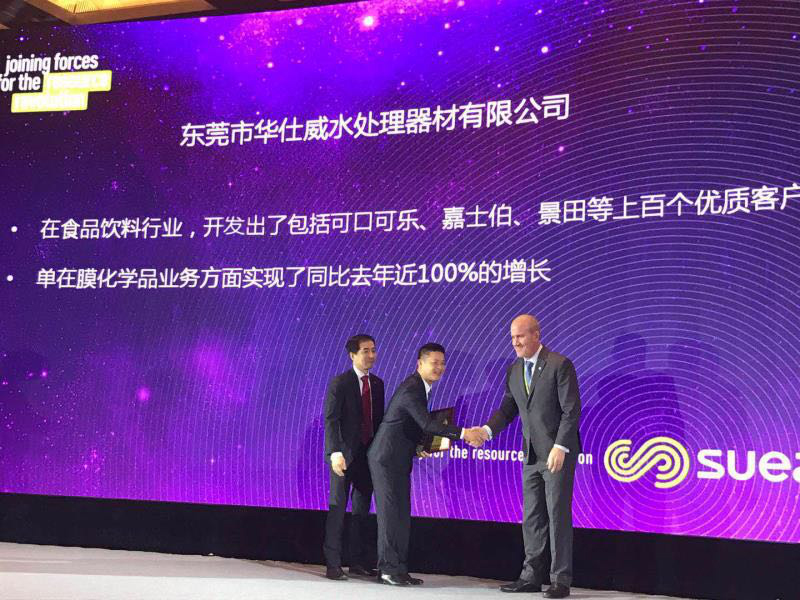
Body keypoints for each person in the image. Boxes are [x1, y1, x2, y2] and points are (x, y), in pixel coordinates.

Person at [479, 315, 581, 598]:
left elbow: (571, 410)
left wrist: (561, 447)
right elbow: (507, 409)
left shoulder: (559, 364)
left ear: (536, 335)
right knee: (532, 517)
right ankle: (531, 577)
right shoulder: (514, 369)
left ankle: (560, 580)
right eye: (512, 337)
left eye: (520, 336)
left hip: (556, 454)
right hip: (530, 455)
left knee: (557, 515)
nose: (515, 342)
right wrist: (486, 431)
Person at [367, 343, 486, 586]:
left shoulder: (422, 388)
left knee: (401, 515)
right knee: (391, 515)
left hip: (398, 458)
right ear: (420, 364)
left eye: (442, 363)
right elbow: (427, 424)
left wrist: (418, 447)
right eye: (434, 363)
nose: (439, 367)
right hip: (386, 459)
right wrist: (465, 433)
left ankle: (398, 569)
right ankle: (387, 570)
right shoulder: (412, 388)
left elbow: (408, 425)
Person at [323, 334, 385, 580]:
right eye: (365, 351)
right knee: (338, 509)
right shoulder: (340, 382)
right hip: (344, 457)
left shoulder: (377, 384)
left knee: (362, 512)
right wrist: (334, 452)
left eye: (373, 350)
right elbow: (331, 420)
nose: (371, 355)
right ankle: (333, 564)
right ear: (352, 355)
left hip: (367, 458)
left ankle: (358, 562)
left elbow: (378, 422)